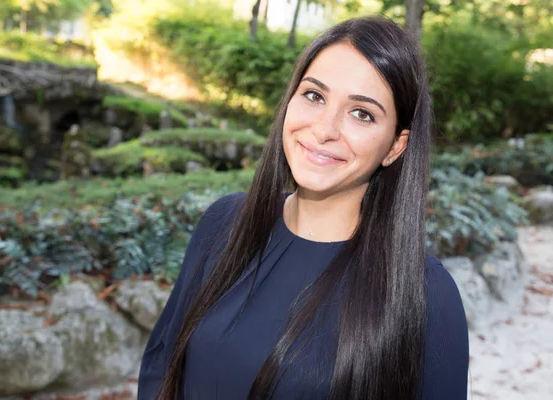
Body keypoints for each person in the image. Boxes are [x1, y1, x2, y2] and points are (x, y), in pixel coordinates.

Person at [138, 16, 469, 400]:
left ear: (396, 146)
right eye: (315, 95)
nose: (325, 128)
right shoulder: (223, 223)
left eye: (362, 113)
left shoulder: (425, 292)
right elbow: (161, 366)